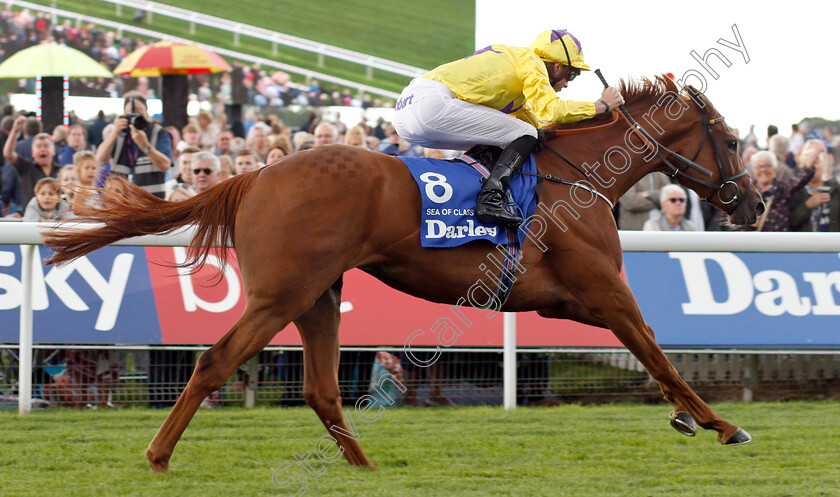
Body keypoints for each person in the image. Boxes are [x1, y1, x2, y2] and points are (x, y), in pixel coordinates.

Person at [393, 29, 624, 225]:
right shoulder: (531, 61)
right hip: (431, 104)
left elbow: (539, 125)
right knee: (523, 134)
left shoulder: (515, 71)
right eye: (571, 75)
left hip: (406, 114)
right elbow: (552, 111)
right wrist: (601, 105)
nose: (565, 84)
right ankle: (490, 199)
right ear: (556, 67)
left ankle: (468, 193)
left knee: (510, 135)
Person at [96, 92, 173, 198]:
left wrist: (145, 146)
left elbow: (165, 166)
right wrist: (114, 133)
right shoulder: (119, 133)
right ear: (123, 115)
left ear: (147, 114)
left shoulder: (158, 132)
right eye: (130, 115)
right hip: (122, 203)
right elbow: (100, 159)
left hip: (151, 202)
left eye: (139, 114)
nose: (135, 118)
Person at [748, 151, 814, 231]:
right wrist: (748, 224)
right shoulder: (748, 194)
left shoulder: (783, 189)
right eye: (758, 167)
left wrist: (809, 164)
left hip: (780, 241)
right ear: (754, 171)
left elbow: (800, 180)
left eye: (767, 166)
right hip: (754, 242)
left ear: (775, 170)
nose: (763, 170)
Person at [3, 116, 59, 208]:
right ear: (32, 152)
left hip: (55, 221)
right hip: (30, 220)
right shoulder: (26, 167)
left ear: (54, 151)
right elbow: (8, 154)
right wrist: (15, 130)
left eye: (46, 146)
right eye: (39, 146)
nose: (42, 149)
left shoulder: (61, 171)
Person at [790, 140, 840, 231]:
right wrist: (807, 205)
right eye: (810, 165)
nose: (814, 168)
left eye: (816, 163)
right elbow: (791, 221)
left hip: (833, 242)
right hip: (805, 242)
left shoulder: (835, 187)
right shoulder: (797, 189)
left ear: (823, 163)